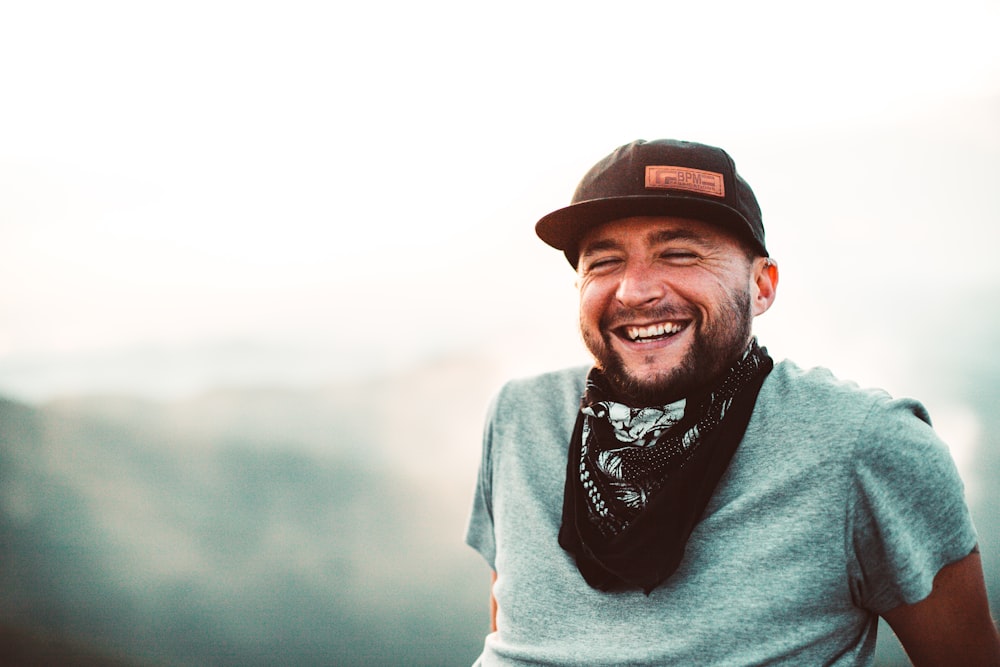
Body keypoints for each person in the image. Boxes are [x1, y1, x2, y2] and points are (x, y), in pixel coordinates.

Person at [465, 139, 1000, 666]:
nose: (633, 290)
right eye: (603, 262)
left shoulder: (866, 445)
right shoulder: (519, 417)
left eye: (679, 253)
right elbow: (516, 632)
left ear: (762, 286)